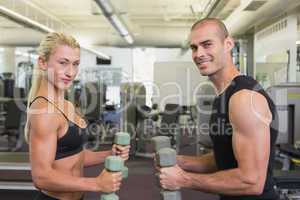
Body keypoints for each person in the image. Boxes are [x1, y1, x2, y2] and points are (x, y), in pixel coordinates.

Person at [158, 18, 279, 200]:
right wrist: (181, 162)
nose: (199, 54)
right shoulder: (224, 95)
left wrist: (184, 180)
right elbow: (225, 159)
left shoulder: (243, 98)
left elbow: (251, 181)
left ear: (228, 44)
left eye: (207, 44)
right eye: (194, 47)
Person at [24, 32, 130, 200]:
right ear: (43, 63)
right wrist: (96, 183)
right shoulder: (44, 110)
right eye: (63, 63)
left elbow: (75, 155)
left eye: (75, 64)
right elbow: (41, 177)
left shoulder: (68, 105)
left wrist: (110, 153)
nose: (71, 72)